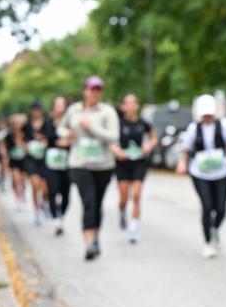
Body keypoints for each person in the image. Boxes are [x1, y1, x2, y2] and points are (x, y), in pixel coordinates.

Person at [59, 76, 119, 260]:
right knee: (89, 200)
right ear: (84, 91)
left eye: (98, 90)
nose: (94, 93)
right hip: (79, 163)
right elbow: (60, 128)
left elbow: (113, 136)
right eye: (91, 89)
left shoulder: (107, 111)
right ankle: (88, 242)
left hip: (102, 164)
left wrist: (91, 127)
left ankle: (95, 237)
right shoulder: (74, 110)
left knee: (97, 203)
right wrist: (67, 133)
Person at [175, 94, 226, 258]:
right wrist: (182, 163)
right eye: (205, 114)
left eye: (210, 114)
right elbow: (185, 148)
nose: (207, 117)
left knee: (221, 208)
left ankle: (215, 229)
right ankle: (208, 242)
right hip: (200, 172)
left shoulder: (224, 125)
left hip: (221, 171)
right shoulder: (193, 128)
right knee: (207, 206)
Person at [113, 94, 156, 244]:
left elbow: (153, 138)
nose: (130, 106)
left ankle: (133, 229)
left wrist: (148, 145)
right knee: (124, 197)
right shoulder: (118, 124)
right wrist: (117, 151)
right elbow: (110, 141)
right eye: (127, 103)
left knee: (136, 195)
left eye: (133, 103)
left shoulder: (143, 123)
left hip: (139, 163)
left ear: (137, 106)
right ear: (123, 106)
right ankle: (122, 210)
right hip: (123, 164)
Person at [43, 96, 72, 236]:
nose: (60, 108)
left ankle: (61, 216)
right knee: (53, 190)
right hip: (52, 162)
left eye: (62, 105)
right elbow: (44, 138)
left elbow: (75, 137)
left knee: (66, 193)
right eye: (57, 105)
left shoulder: (71, 123)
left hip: (67, 162)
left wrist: (68, 142)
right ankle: (55, 220)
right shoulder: (48, 123)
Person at [23, 99, 51, 226]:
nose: (36, 112)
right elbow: (20, 139)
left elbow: (51, 138)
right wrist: (26, 146)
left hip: (44, 158)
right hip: (31, 158)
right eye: (34, 110)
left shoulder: (47, 123)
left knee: (45, 188)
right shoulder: (26, 125)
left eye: (38, 109)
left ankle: (45, 203)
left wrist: (44, 141)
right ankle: (36, 212)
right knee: (35, 185)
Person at [5, 114, 28, 205]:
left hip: (24, 160)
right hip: (14, 160)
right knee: (16, 179)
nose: (18, 125)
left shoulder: (26, 134)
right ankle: (17, 194)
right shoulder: (9, 136)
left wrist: (21, 143)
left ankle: (22, 192)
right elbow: (7, 149)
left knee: (23, 180)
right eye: (16, 123)